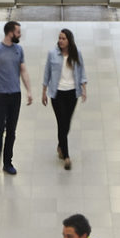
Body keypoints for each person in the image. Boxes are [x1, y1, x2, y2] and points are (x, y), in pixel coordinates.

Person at [0, 20, 28, 174]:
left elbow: (23, 70)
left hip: (16, 96)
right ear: (10, 33)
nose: (19, 35)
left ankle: (7, 162)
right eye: (18, 32)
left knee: (11, 130)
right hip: (1, 95)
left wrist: (28, 90)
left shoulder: (19, 50)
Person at [40, 26, 87, 167]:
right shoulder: (52, 54)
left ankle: (61, 145)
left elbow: (82, 70)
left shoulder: (76, 53)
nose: (60, 41)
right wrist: (44, 91)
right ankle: (66, 156)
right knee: (61, 122)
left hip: (72, 92)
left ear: (69, 40)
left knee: (66, 124)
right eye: (59, 38)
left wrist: (84, 88)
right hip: (57, 93)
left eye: (63, 38)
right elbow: (47, 72)